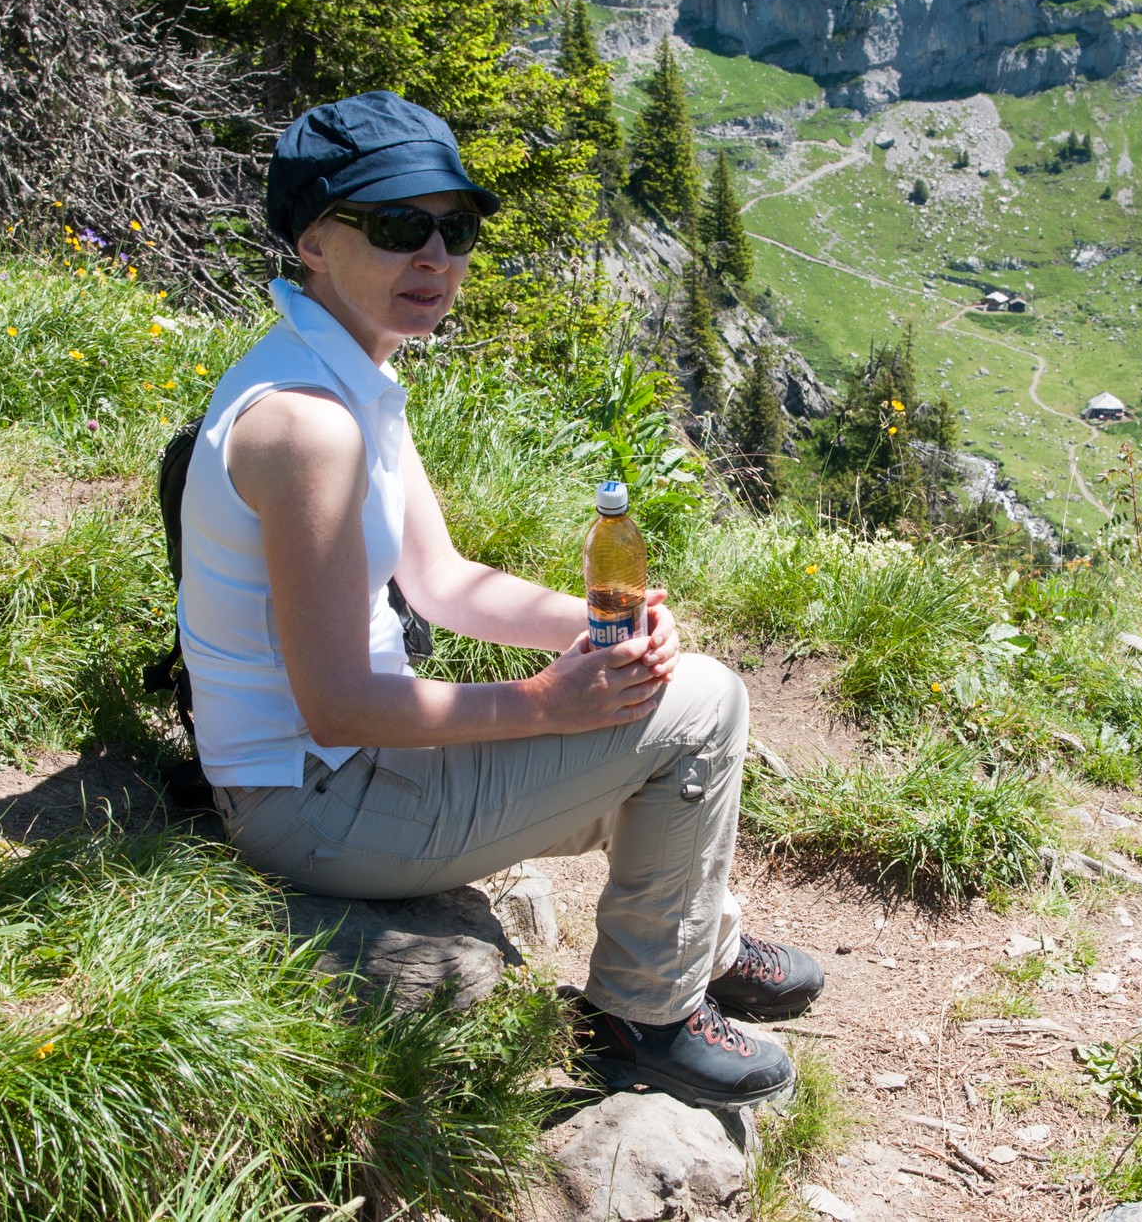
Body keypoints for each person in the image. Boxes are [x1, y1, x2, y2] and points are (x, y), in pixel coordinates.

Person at [178, 91, 823, 1109]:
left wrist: (599, 627)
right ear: (311, 241)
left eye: (456, 228)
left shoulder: (341, 372)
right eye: (397, 226)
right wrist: (541, 704)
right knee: (705, 707)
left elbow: (441, 581)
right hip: (312, 804)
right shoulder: (309, 426)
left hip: (336, 775)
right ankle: (644, 1015)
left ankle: (696, 938)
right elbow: (335, 705)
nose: (434, 257)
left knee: (665, 694)